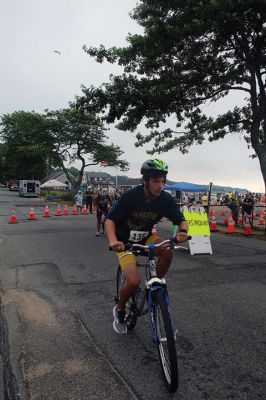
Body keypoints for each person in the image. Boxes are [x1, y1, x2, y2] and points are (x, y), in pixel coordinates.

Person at [105, 158, 188, 334]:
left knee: (167, 250)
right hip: (124, 242)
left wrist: (182, 231)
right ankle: (119, 309)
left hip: (146, 238)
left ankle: (154, 286)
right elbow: (110, 220)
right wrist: (113, 241)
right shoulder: (131, 196)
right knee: (134, 281)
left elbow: (181, 220)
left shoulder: (165, 199)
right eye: (156, 181)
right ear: (146, 181)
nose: (160, 185)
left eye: (163, 181)